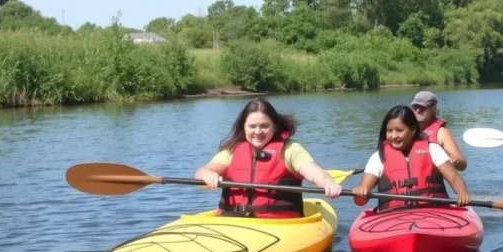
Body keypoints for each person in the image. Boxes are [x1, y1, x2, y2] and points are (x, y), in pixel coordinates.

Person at [194, 98, 342, 218]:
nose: (258, 131)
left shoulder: (290, 149)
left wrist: (327, 182)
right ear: (243, 127)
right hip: (233, 220)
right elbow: (205, 170)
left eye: (264, 126)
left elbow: (312, 171)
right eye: (252, 126)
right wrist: (207, 174)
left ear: (274, 127)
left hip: (278, 225)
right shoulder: (231, 150)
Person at [352, 105, 472, 211]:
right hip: (392, 217)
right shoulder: (378, 157)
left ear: (413, 130)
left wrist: (463, 194)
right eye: (389, 131)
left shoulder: (433, 150)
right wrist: (360, 192)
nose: (394, 136)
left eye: (399, 131)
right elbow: (360, 200)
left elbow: (455, 179)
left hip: (434, 212)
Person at [409, 90, 468, 171]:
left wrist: (454, 160)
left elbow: (462, 165)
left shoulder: (441, 132)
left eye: (423, 107)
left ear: (434, 109)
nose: (418, 110)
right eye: (415, 107)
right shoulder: (406, 129)